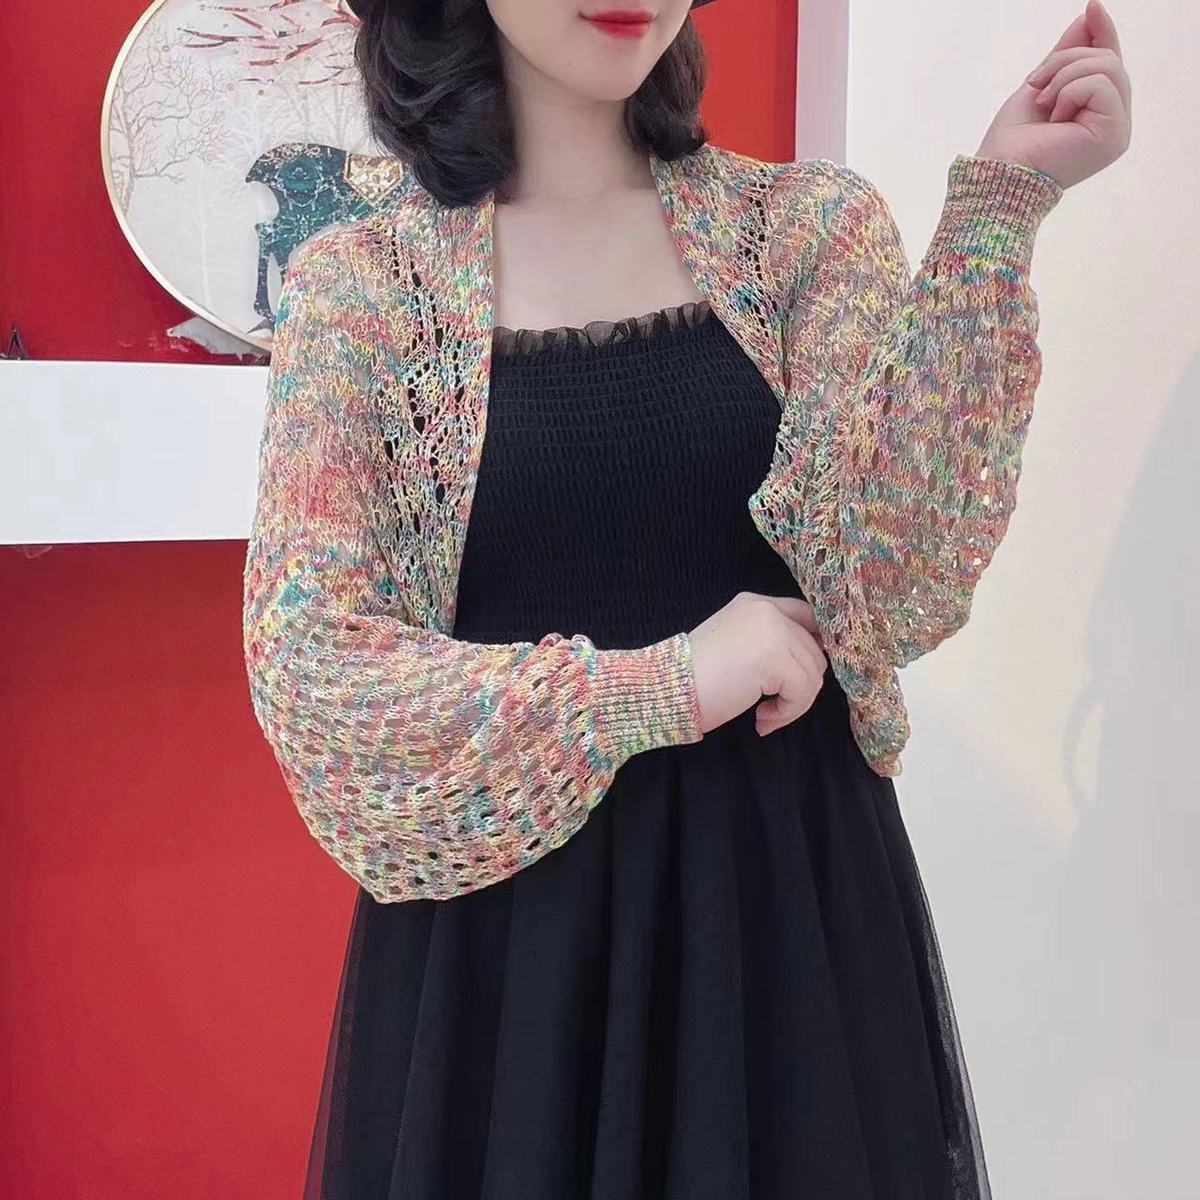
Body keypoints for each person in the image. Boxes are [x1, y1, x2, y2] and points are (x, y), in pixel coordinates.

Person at [241, 1, 1131, 1196]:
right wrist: (659, 686)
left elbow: (892, 584)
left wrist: (1000, 211)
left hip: (785, 930)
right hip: (514, 971)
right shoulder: (363, 290)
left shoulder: (805, 230)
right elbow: (314, 675)